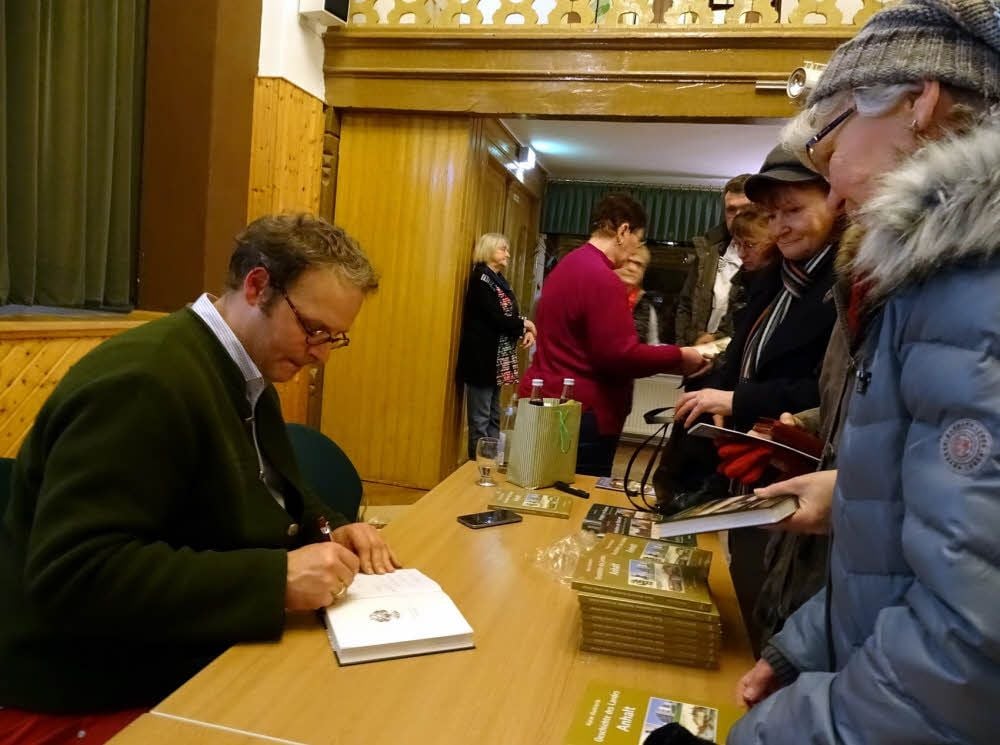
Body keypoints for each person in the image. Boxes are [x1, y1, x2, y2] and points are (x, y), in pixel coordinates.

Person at [0, 214, 400, 741]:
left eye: (336, 338)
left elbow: (284, 496)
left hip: (174, 654)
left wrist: (333, 528)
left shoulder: (248, 376)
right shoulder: (146, 381)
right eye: (314, 330)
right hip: (80, 688)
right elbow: (75, 573)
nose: (321, 354)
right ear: (257, 286)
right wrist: (275, 580)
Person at [730, 2, 1000, 742]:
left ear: (921, 102)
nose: (834, 191)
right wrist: (808, 642)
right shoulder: (931, 274)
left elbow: (966, 653)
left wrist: (770, 731)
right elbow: (930, 547)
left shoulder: (976, 282)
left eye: (830, 149)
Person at [519, 194, 707, 476]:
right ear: (622, 231)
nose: (635, 250)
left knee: (541, 488)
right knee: (576, 504)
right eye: (638, 240)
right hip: (581, 413)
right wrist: (681, 355)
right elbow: (619, 355)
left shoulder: (568, 265)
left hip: (547, 402)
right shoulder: (602, 278)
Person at [456, 232, 536, 459]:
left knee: (493, 416)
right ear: (488, 250)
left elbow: (509, 315)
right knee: (480, 420)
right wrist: (524, 325)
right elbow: (496, 317)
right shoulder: (481, 279)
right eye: (503, 249)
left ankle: (488, 464)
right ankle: (476, 468)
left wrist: (523, 328)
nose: (508, 254)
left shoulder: (498, 279)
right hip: (482, 360)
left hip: (497, 360)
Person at [674, 174, 752, 346]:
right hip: (698, 355)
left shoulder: (768, 255)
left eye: (746, 209)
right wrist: (684, 349)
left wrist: (716, 342)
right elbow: (685, 304)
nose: (738, 216)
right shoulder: (710, 249)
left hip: (735, 357)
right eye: (731, 209)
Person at [614, 243, 671, 344]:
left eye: (639, 264)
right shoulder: (595, 297)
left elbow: (653, 345)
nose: (632, 268)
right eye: (628, 261)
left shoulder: (646, 308)